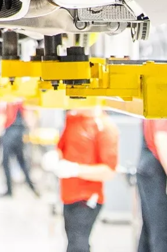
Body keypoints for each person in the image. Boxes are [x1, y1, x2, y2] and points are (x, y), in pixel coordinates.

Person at [54, 105, 120, 252]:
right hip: (68, 195)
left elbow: (109, 171)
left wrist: (76, 170)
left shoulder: (105, 127)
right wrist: (55, 158)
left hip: (87, 198)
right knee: (73, 242)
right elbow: (61, 148)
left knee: (78, 244)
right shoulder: (72, 119)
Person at [136, 118, 167, 252]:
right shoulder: (164, 108)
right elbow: (162, 138)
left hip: (151, 169)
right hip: (157, 170)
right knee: (162, 230)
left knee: (150, 230)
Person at [0, 97, 40, 197]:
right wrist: (33, 130)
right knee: (21, 161)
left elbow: (0, 117)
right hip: (19, 132)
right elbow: (28, 115)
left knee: (6, 162)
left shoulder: (2, 99)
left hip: (10, 132)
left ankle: (10, 190)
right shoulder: (19, 99)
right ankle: (31, 186)